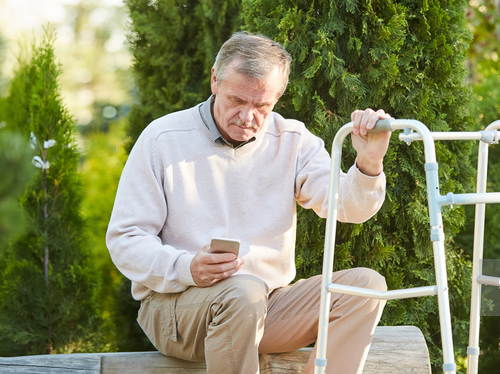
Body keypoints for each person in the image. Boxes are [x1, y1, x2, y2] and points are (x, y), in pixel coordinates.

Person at [106, 31, 393, 374]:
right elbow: (125, 239)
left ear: (277, 99)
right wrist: (186, 267)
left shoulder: (294, 141)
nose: (247, 116)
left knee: (366, 288)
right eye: (237, 100)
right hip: (175, 309)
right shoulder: (162, 138)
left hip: (263, 307)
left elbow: (348, 208)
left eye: (262, 106)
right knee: (243, 293)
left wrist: (369, 163)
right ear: (215, 80)